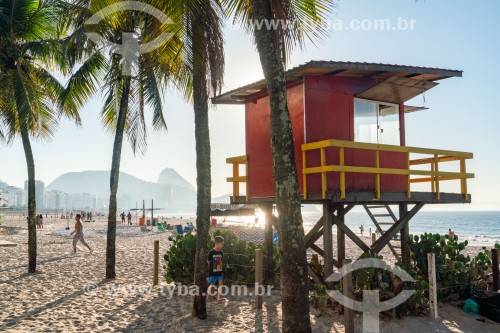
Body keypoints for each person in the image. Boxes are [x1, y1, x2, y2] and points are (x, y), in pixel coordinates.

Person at [207, 236, 224, 301]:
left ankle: (219, 297)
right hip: (212, 272)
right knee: (212, 285)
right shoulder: (211, 252)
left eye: (223, 244)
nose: (222, 245)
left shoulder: (221, 252)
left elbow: (221, 261)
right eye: (221, 244)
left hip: (220, 271)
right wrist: (209, 271)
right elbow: (208, 262)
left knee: (221, 284)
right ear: (216, 243)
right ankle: (209, 296)